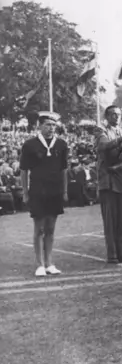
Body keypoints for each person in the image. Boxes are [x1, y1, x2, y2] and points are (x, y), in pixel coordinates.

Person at [19, 111, 69, 276]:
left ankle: (49, 263)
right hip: (38, 191)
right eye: (48, 125)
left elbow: (64, 170)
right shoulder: (29, 145)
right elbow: (24, 171)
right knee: (39, 229)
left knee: (51, 229)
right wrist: (25, 193)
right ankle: (40, 264)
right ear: (39, 126)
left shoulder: (61, 144)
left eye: (54, 125)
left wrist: (65, 191)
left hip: (55, 191)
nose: (51, 128)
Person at [96, 105, 122, 264]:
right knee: (111, 220)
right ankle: (112, 254)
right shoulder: (101, 131)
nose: (116, 117)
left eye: (118, 114)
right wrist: (120, 140)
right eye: (112, 114)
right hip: (108, 181)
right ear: (107, 116)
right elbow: (103, 146)